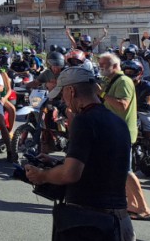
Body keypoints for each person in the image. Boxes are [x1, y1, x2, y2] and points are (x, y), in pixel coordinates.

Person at [25, 67, 134, 241]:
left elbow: (71, 174)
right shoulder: (117, 121)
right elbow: (101, 163)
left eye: (63, 95)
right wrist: (56, 162)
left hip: (92, 223)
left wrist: (42, 175)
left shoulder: (84, 120)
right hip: (120, 221)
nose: (64, 101)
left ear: (71, 90)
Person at [98, 52, 150, 221]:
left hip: (121, 133)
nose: (101, 68)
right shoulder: (112, 81)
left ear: (115, 66)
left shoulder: (123, 81)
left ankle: (144, 208)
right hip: (114, 131)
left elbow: (122, 105)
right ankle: (132, 205)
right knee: (119, 171)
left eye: (104, 65)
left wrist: (101, 94)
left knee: (126, 171)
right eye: (99, 64)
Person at [124, 59, 150, 171]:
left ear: (139, 72)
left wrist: (148, 104)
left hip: (146, 111)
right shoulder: (123, 84)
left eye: (131, 72)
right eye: (126, 72)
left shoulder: (148, 85)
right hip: (128, 111)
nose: (129, 74)